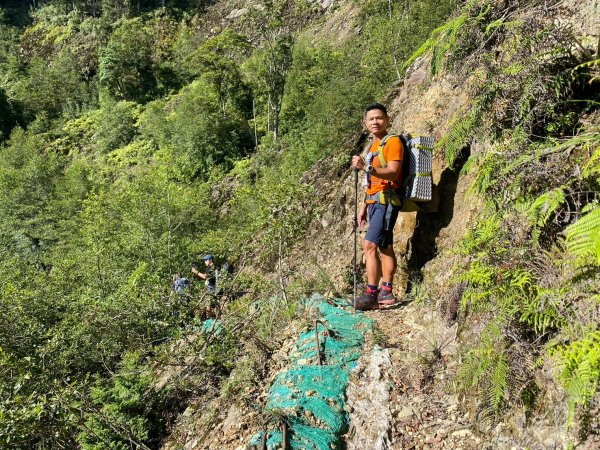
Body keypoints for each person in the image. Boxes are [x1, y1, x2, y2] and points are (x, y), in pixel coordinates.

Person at [351, 103, 404, 310]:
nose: (375, 121)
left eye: (379, 118)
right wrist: (364, 204)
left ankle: (372, 293)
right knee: (384, 246)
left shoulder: (393, 142)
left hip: (386, 201)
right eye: (371, 119)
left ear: (387, 120)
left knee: (369, 246)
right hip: (375, 201)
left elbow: (393, 172)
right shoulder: (374, 146)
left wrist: (366, 166)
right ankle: (386, 291)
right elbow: (371, 180)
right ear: (365, 123)